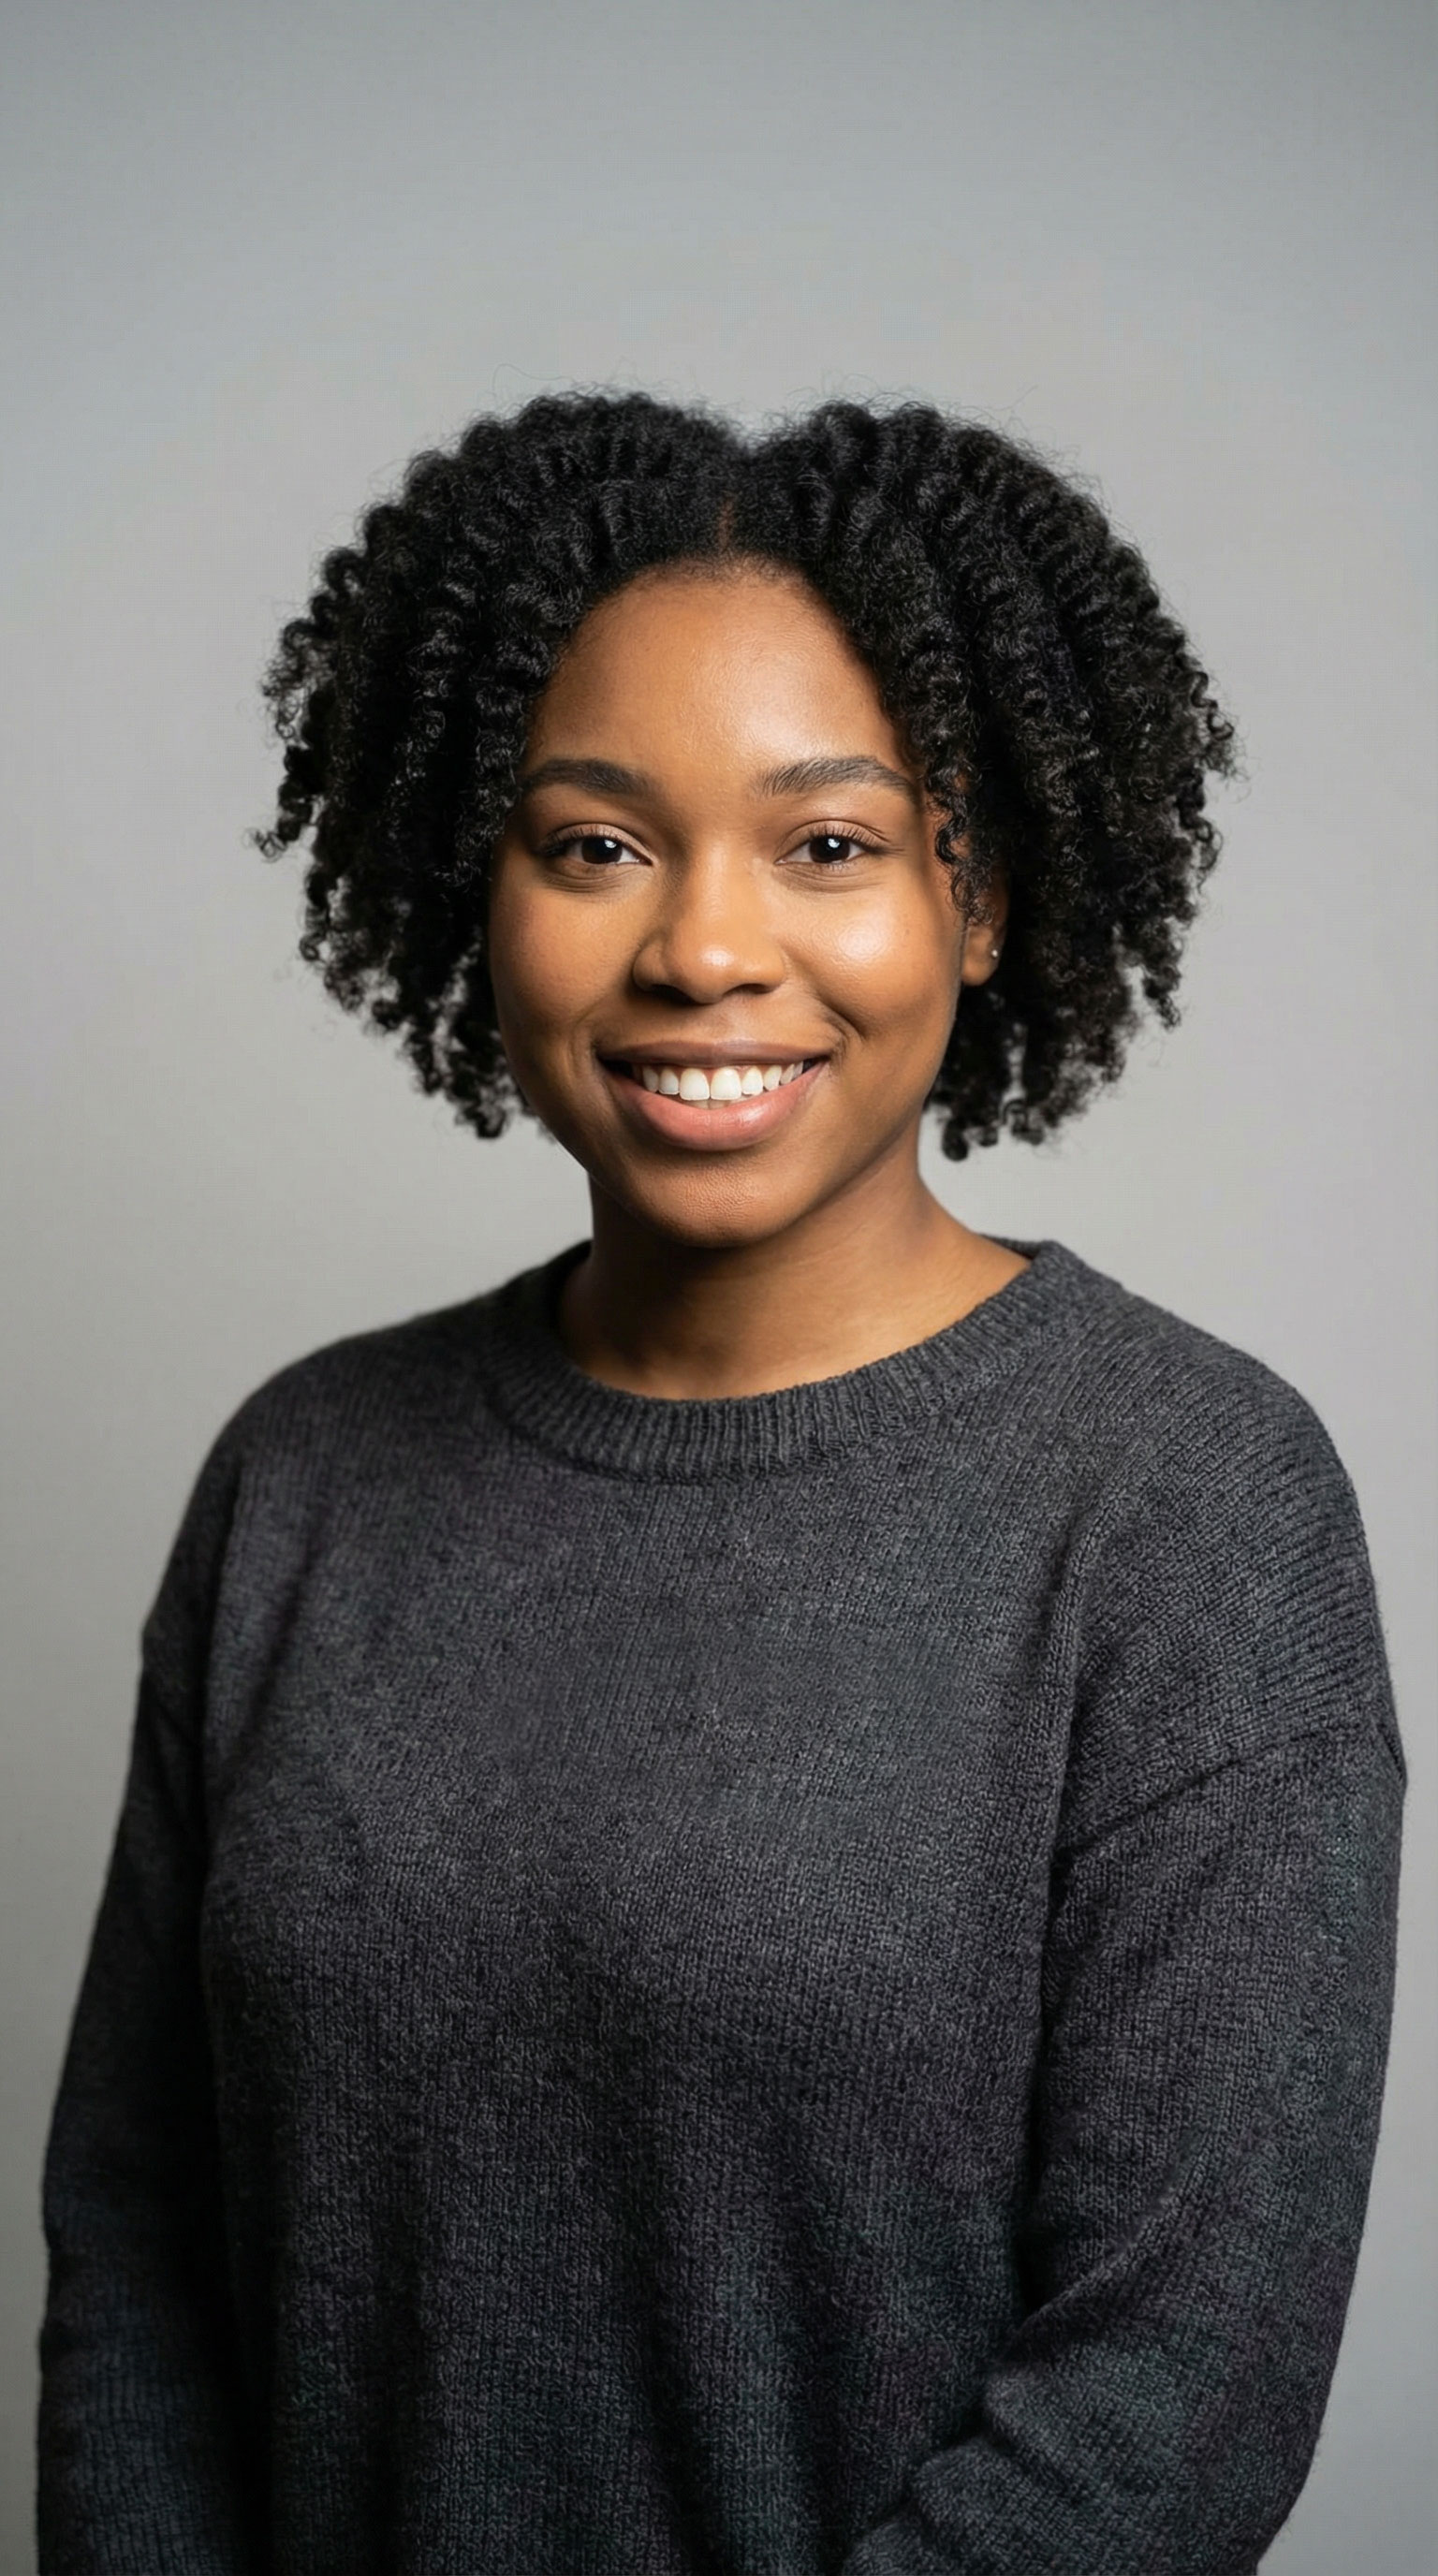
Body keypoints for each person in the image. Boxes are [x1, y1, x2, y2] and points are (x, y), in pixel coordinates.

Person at [37, 392, 1404, 2576]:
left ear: (981, 896)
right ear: (476, 884)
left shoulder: (1187, 1509)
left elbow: (1170, 2409)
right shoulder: (304, 1476)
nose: (699, 945)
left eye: (829, 844)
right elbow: (140, 2252)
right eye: (595, 844)